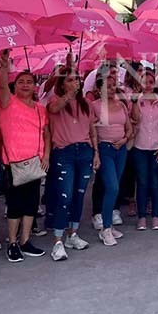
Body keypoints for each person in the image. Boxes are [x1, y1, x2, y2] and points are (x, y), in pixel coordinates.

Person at [0, 50, 49, 263]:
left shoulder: (40, 109)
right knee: (15, 206)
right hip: (14, 164)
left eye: (29, 81)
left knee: (31, 205)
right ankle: (12, 242)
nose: (25, 85)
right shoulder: (8, 103)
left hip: (35, 163)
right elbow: (1, 86)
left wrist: (46, 155)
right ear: (14, 85)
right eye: (21, 82)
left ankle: (25, 241)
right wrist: (5, 66)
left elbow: (45, 133)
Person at [45, 66, 100, 261]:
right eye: (69, 79)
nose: (74, 82)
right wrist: (68, 95)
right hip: (64, 153)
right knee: (65, 197)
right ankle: (57, 241)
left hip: (84, 152)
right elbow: (53, 109)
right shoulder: (55, 101)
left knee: (79, 196)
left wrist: (96, 153)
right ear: (62, 84)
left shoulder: (86, 103)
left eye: (76, 79)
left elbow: (92, 130)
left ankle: (72, 234)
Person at [91, 74, 132, 246]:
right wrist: (96, 153)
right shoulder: (94, 106)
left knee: (116, 187)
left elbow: (129, 128)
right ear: (99, 89)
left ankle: (108, 223)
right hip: (105, 149)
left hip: (120, 149)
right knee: (112, 187)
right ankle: (105, 228)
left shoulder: (121, 104)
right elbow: (92, 131)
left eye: (113, 85)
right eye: (107, 85)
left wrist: (124, 140)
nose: (111, 88)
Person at [131, 69, 158, 232]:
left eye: (149, 82)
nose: (147, 85)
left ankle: (155, 216)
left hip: (156, 147)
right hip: (139, 146)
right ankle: (141, 217)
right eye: (144, 82)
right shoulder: (137, 100)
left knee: (155, 183)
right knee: (142, 182)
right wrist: (134, 102)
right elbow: (134, 119)